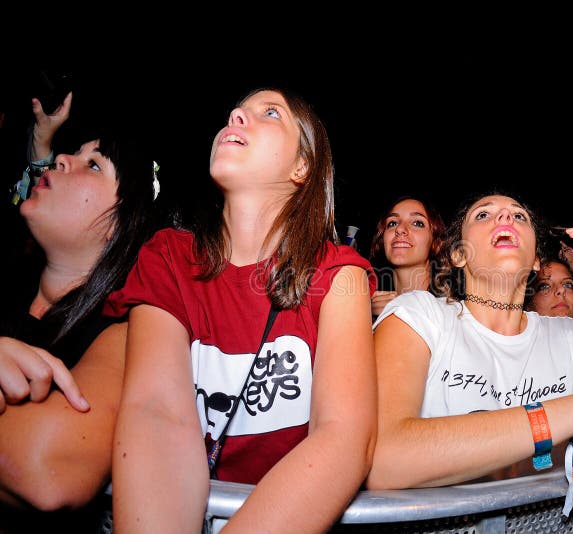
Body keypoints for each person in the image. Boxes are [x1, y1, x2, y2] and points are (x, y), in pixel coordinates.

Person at [105, 87, 377, 532]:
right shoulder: (169, 257)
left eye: (270, 113)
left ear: (301, 167)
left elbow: (343, 437)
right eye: (237, 110)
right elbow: (156, 413)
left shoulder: (337, 273)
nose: (236, 115)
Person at [367, 191, 573, 513]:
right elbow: (383, 460)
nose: (505, 218)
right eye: (483, 215)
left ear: (536, 260)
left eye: (519, 216)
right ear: (458, 254)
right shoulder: (419, 316)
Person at [0, 92, 164, 524]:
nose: (61, 160)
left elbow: (46, 473)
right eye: (71, 152)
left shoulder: (124, 332)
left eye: (94, 164)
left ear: (119, 227)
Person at [368, 196, 446, 318]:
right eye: (392, 223)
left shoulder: (451, 312)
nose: (399, 228)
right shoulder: (366, 307)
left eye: (417, 223)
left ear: (436, 244)